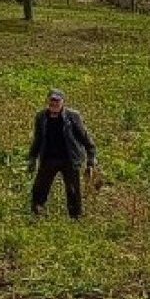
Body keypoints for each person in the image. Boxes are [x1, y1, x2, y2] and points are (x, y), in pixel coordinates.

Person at [27, 89, 97, 218]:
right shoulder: (41, 117)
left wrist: (91, 159)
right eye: (52, 100)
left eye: (57, 101)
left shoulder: (73, 116)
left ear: (63, 102)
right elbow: (38, 139)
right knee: (39, 189)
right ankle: (37, 215)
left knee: (73, 190)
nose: (54, 103)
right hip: (49, 158)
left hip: (69, 159)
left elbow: (85, 138)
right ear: (47, 101)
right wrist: (32, 157)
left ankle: (75, 218)